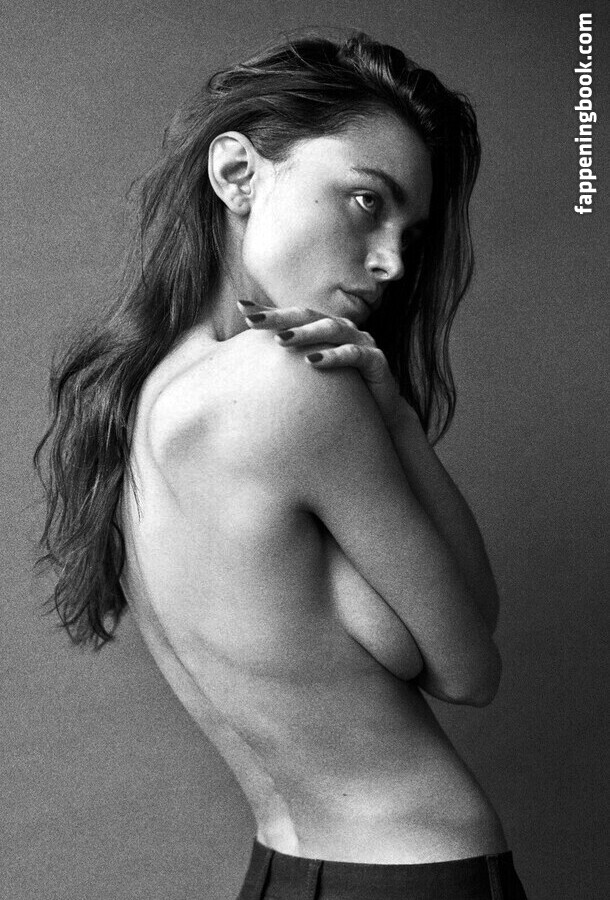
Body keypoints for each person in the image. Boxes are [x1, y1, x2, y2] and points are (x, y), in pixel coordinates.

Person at [35, 32, 529, 899]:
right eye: (366, 201)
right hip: (413, 872)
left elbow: (462, 610)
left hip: (281, 868)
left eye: (408, 234)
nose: (391, 263)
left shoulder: (141, 398)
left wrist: (397, 416)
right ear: (238, 174)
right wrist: (388, 421)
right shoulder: (290, 381)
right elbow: (471, 670)